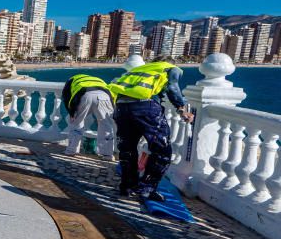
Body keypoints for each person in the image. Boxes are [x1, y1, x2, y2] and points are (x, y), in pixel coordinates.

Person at [108, 61, 194, 201]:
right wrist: (182, 109)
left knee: (127, 149)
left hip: (121, 108)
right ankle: (146, 189)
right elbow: (172, 87)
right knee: (162, 150)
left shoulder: (140, 69)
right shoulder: (170, 68)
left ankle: (127, 186)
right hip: (145, 107)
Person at [61, 74, 116, 159]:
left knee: (77, 123)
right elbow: (111, 95)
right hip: (104, 95)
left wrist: (71, 113)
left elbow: (66, 97)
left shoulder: (71, 80)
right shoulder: (98, 79)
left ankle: (71, 150)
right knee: (106, 125)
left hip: (85, 95)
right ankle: (107, 154)